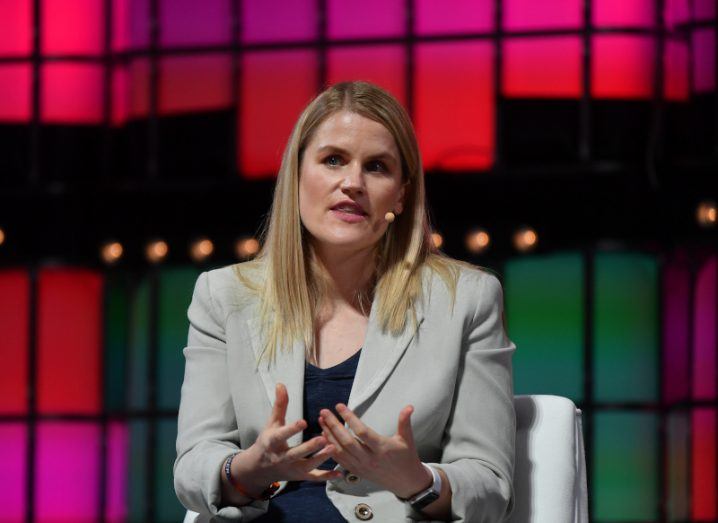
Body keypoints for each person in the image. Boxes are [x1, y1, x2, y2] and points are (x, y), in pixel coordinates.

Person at [173, 80, 516, 522]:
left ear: (401, 193)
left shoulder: (466, 300)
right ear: (297, 175)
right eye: (333, 160)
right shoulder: (224, 296)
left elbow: (491, 485)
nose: (352, 183)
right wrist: (247, 469)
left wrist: (417, 480)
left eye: (376, 167)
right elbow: (192, 466)